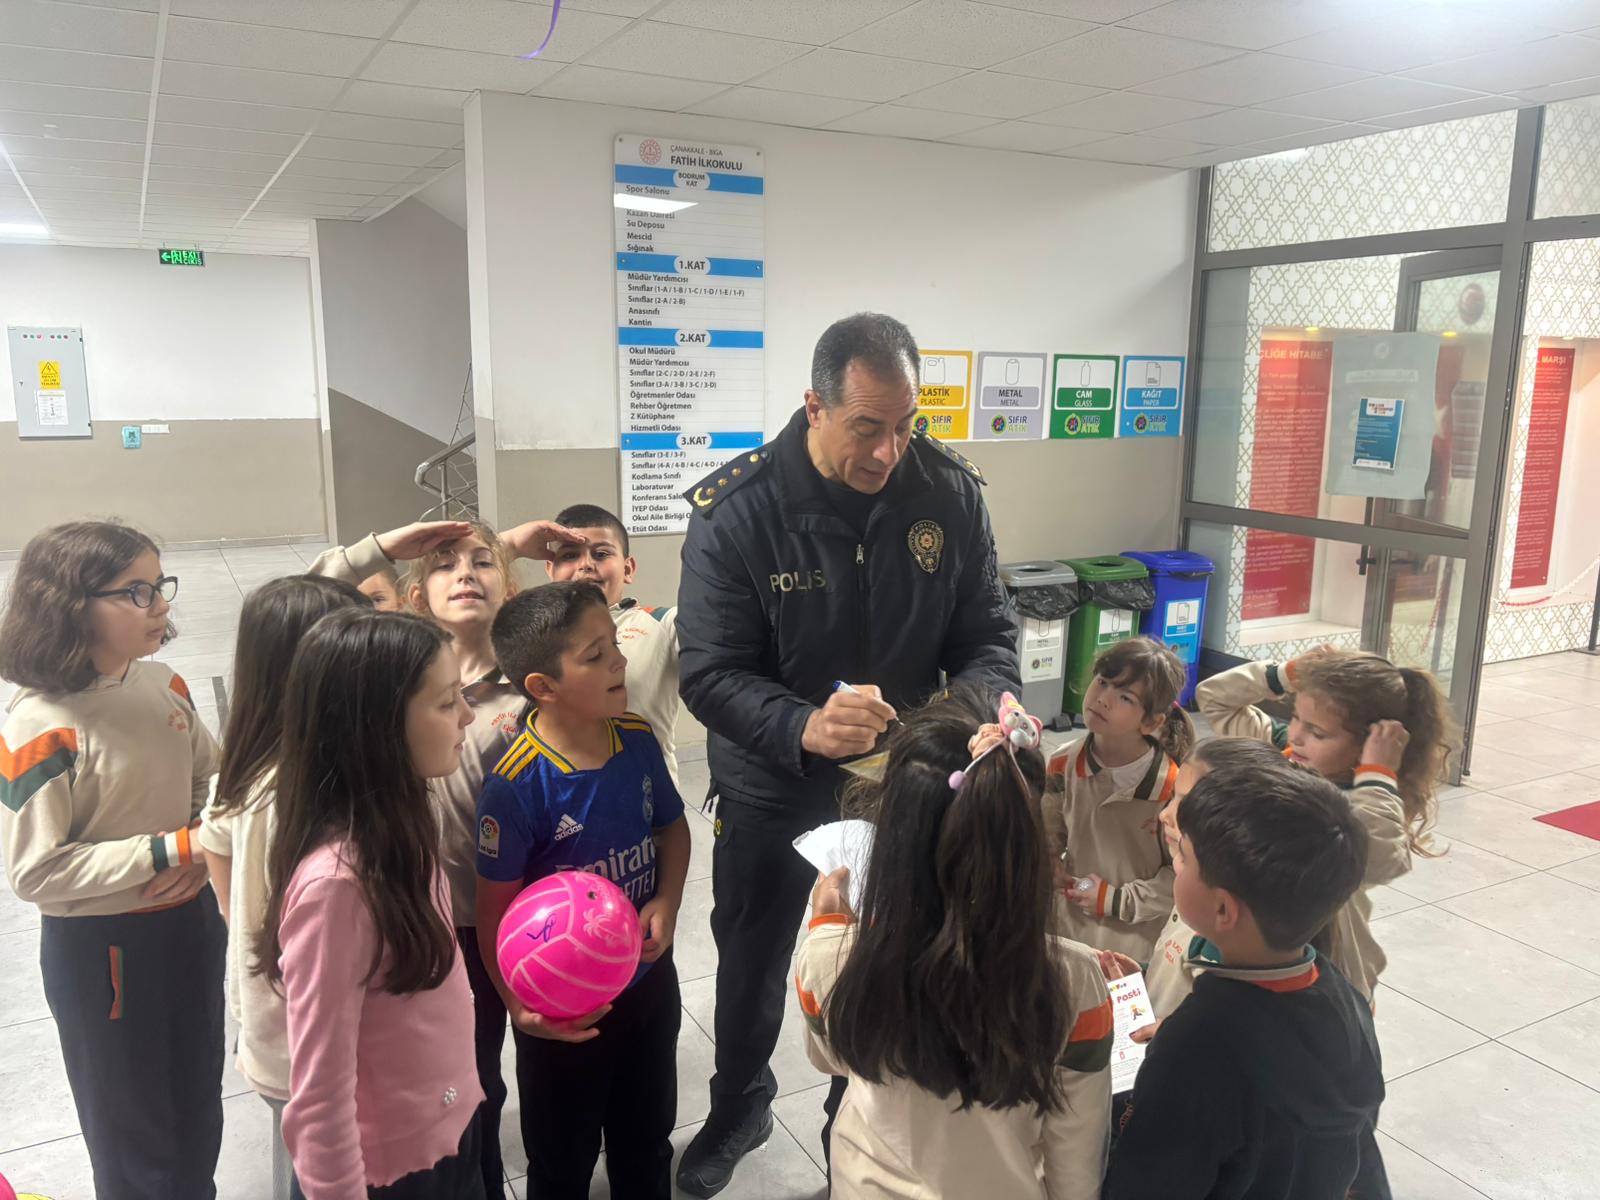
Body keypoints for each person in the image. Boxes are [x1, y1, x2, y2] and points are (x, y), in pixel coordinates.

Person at [675, 312, 1019, 1196]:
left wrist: (964, 711)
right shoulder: (739, 511)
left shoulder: (948, 493)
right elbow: (709, 672)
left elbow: (988, 635)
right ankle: (740, 1105)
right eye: (867, 427)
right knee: (750, 963)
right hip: (770, 783)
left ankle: (847, 1127)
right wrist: (801, 725)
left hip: (899, 783)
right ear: (815, 407)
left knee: (882, 957)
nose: (888, 452)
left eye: (905, 425)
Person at [309, 516, 583, 1197]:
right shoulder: (391, 681)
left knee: (546, 1066)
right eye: (444, 566)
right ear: (412, 597)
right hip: (434, 923)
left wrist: (497, 553)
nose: (464, 575)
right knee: (469, 1080)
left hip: (526, 921)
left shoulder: (534, 687)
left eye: (482, 564)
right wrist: (380, 549)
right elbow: (302, 606)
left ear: (509, 588)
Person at [796, 687, 1112, 1198]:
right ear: (1025, 839)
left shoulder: (829, 956)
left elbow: (829, 1058)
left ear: (891, 838)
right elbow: (1075, 1156)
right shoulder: (1074, 981)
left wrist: (827, 924)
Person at [0, 520, 225, 1199]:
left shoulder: (163, 684)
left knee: (197, 1110)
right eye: (136, 592)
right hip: (104, 951)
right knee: (135, 1139)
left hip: (190, 922)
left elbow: (207, 774)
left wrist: (198, 842)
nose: (160, 604)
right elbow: (36, 872)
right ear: (70, 606)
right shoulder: (39, 724)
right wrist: (173, 848)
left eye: (159, 586)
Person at [474, 582, 691, 1200]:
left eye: (615, 646)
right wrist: (519, 1008)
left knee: (647, 1141)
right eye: (596, 656)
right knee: (561, 1162)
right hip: (562, 1017)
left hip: (648, 985)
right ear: (543, 686)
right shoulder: (516, 785)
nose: (619, 661)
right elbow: (492, 914)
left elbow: (673, 829)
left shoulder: (637, 739)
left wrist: (668, 900)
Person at [257, 609, 483, 1199]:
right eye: (446, 702)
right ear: (376, 727)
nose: (467, 715)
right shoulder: (337, 888)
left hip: (448, 1132)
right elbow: (320, 1096)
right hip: (389, 1172)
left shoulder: (407, 823)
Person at [1104, 766, 1388, 1200]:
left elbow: (1145, 1185)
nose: (1176, 864)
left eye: (1185, 858)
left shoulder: (1195, 1046)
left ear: (1223, 910)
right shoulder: (1344, 996)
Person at [198, 574, 371, 1200]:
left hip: (272, 1031)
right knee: (332, 1169)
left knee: (307, 1158)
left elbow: (219, 860)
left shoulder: (246, 767)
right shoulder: (312, 790)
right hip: (321, 1048)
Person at [1195, 648, 1458, 1000]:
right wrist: (1287, 673)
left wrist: (1378, 771)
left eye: (1318, 732)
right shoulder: (1282, 757)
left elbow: (1383, 859)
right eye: (1295, 717)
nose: (1296, 736)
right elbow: (1213, 698)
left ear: (1368, 745)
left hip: (1328, 977)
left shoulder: (1360, 802)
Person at [1043, 637, 1194, 962]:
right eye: (1102, 682)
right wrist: (1050, 861)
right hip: (1068, 932)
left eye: (1125, 696)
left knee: (1120, 997)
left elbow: (1183, 874)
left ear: (1152, 722)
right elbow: (1049, 832)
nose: (1102, 699)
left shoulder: (1171, 787)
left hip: (1135, 945)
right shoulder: (1062, 763)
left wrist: (1116, 900)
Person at [543, 503, 682, 783]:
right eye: (569, 555)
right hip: (564, 797)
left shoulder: (663, 624)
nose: (585, 564)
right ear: (551, 570)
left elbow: (721, 629)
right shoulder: (537, 633)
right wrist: (510, 546)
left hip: (651, 798)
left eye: (601, 554)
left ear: (628, 568)